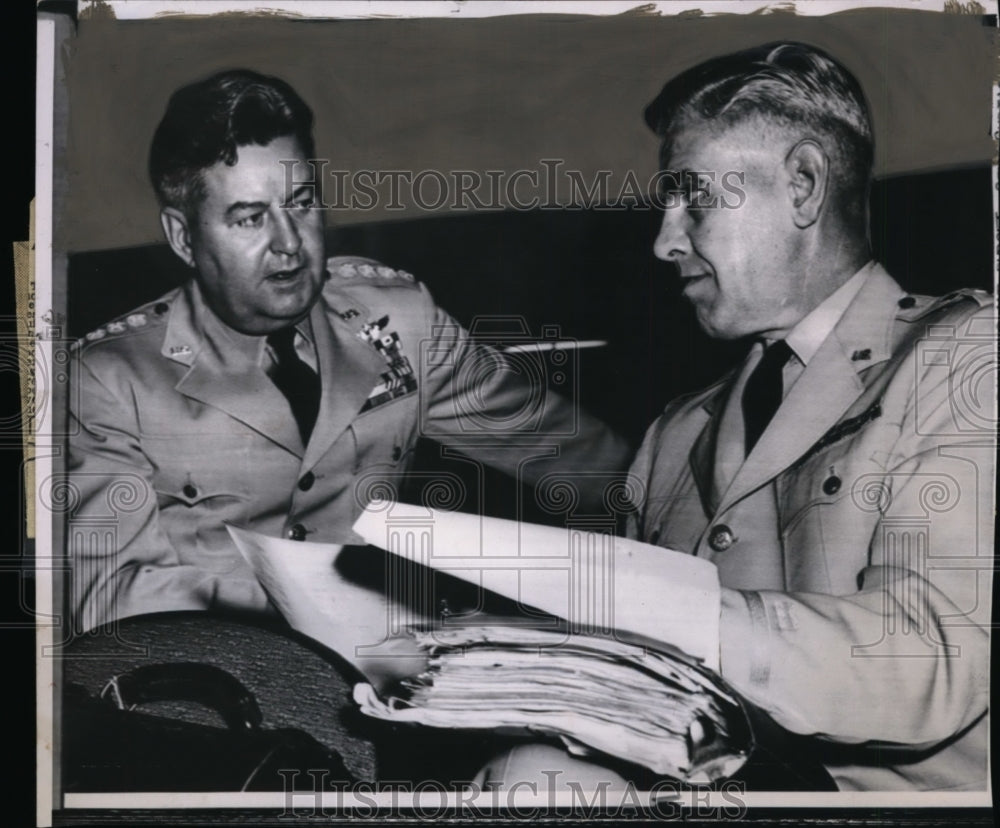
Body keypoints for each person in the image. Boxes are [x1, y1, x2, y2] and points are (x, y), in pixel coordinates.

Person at [482, 42, 993, 792]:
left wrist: (674, 618)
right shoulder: (676, 433)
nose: (664, 241)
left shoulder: (966, 356)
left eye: (692, 197)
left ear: (804, 186)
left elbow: (927, 660)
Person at [67, 69, 630, 634]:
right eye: (250, 218)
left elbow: (576, 455)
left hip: (385, 675)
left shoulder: (399, 319)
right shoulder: (108, 379)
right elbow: (110, 597)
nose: (289, 244)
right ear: (184, 238)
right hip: (210, 686)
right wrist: (327, 613)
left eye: (302, 203)